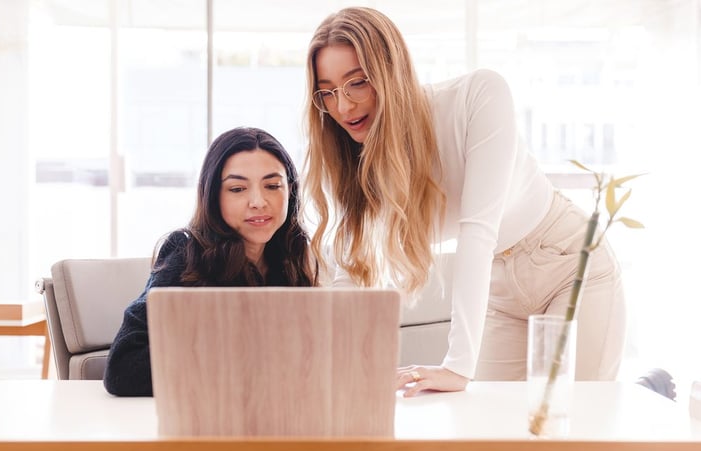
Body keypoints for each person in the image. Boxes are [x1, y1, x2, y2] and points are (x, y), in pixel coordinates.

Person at [303, 7, 626, 397]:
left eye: (356, 83)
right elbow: (350, 271)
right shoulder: (359, 164)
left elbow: (477, 232)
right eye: (327, 92)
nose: (343, 106)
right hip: (499, 290)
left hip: (570, 265)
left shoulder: (478, 97)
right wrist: (323, 365)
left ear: (391, 72)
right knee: (489, 435)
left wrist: (456, 366)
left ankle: (649, 384)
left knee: (572, 423)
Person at [104, 126, 318, 396]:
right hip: (203, 423)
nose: (258, 201)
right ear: (213, 196)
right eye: (238, 188)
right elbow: (123, 369)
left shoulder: (289, 258)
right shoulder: (187, 255)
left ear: (291, 191)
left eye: (273, 186)